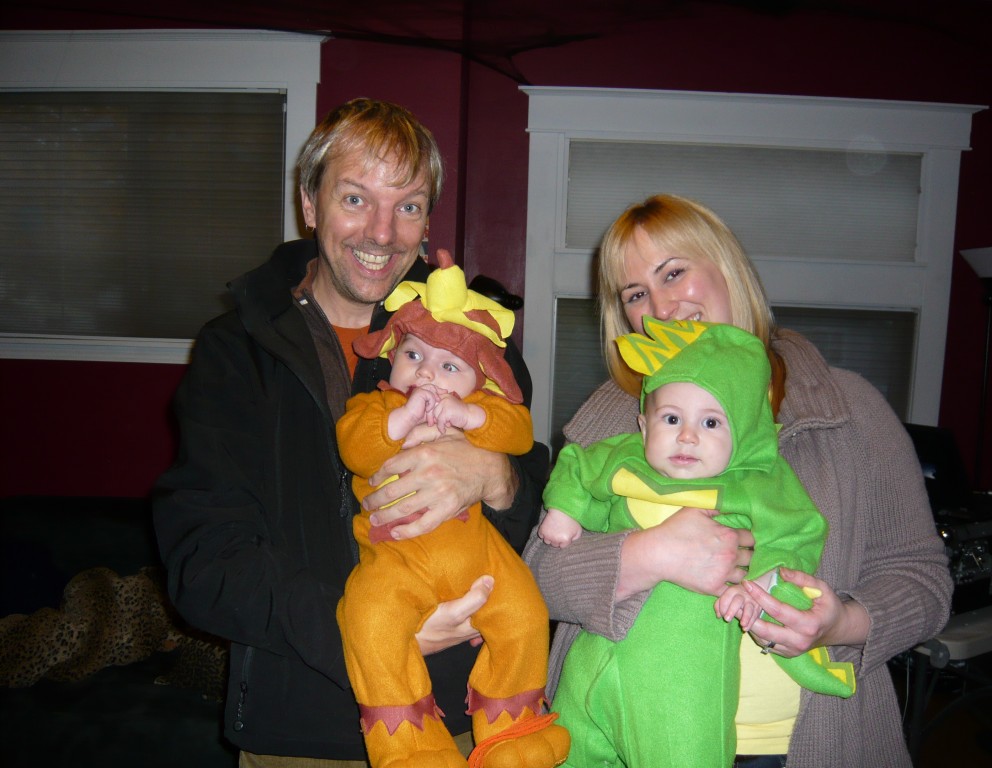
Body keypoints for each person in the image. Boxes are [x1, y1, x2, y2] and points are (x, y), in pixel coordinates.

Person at [152, 98, 550, 766]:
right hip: (300, 731)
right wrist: (371, 633)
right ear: (310, 203)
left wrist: (500, 479)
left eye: (409, 206)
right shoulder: (235, 352)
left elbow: (541, 503)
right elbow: (204, 562)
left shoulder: (474, 339)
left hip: (463, 726)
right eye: (356, 199)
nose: (383, 233)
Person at [523, 194, 953, 768]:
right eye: (635, 294)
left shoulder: (850, 408)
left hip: (814, 746)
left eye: (673, 272)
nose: (661, 307)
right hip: (626, 743)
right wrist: (645, 555)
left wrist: (842, 623)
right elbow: (536, 576)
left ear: (727, 267)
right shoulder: (610, 419)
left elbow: (922, 577)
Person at [539, 319, 853, 767]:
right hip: (588, 667)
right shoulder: (623, 457)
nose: (687, 436)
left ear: (742, 436)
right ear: (643, 427)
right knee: (569, 753)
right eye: (671, 419)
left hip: (681, 682)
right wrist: (564, 510)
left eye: (710, 422)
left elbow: (797, 533)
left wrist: (760, 587)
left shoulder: (755, 487)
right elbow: (576, 466)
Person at [335, 252, 568, 768]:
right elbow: (356, 447)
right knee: (369, 621)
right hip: (398, 561)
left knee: (525, 614)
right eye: (414, 356)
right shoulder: (377, 407)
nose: (428, 376)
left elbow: (519, 432)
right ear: (392, 358)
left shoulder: (481, 412)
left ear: (480, 380)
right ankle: (409, 748)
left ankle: (514, 735)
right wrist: (404, 420)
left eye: (450, 366)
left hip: (479, 554)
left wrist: (469, 415)